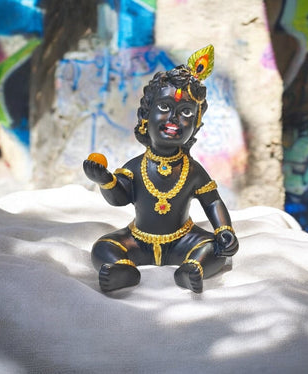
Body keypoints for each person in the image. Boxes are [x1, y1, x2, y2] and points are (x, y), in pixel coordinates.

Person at [83, 45, 238, 293]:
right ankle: (123, 270)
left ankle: (191, 270)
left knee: (216, 249)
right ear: (145, 117)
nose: (174, 119)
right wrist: (105, 180)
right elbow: (120, 198)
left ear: (195, 127)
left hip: (184, 240)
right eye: (164, 108)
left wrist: (224, 230)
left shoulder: (192, 170)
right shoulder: (136, 166)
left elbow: (212, 202)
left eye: (186, 112)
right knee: (103, 248)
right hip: (137, 240)